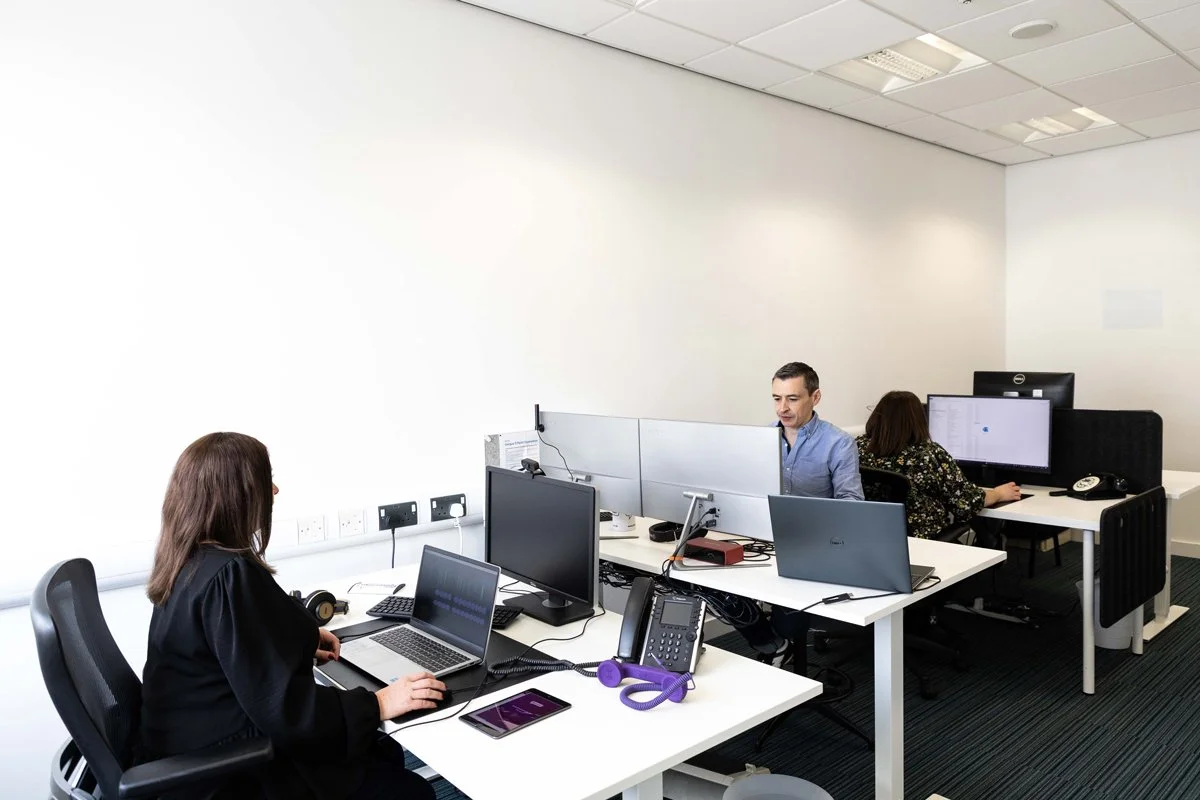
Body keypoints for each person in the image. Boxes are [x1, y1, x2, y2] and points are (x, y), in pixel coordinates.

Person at [139, 432, 439, 800]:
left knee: (381, 752)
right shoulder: (227, 576)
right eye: (267, 481)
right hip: (229, 773)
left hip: (188, 749)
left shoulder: (188, 560)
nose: (275, 491)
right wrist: (378, 703)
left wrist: (304, 639)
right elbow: (284, 708)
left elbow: (235, 647)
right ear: (240, 495)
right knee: (409, 791)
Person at [856, 390, 1022, 539]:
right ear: (919, 420)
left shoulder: (857, 448)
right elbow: (965, 503)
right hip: (921, 539)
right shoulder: (927, 454)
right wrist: (999, 494)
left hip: (871, 535)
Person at [771, 361, 864, 500]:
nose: (782, 408)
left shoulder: (840, 443)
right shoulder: (763, 437)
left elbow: (851, 501)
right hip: (766, 520)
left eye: (792, 399)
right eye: (777, 399)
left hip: (817, 521)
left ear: (815, 397)